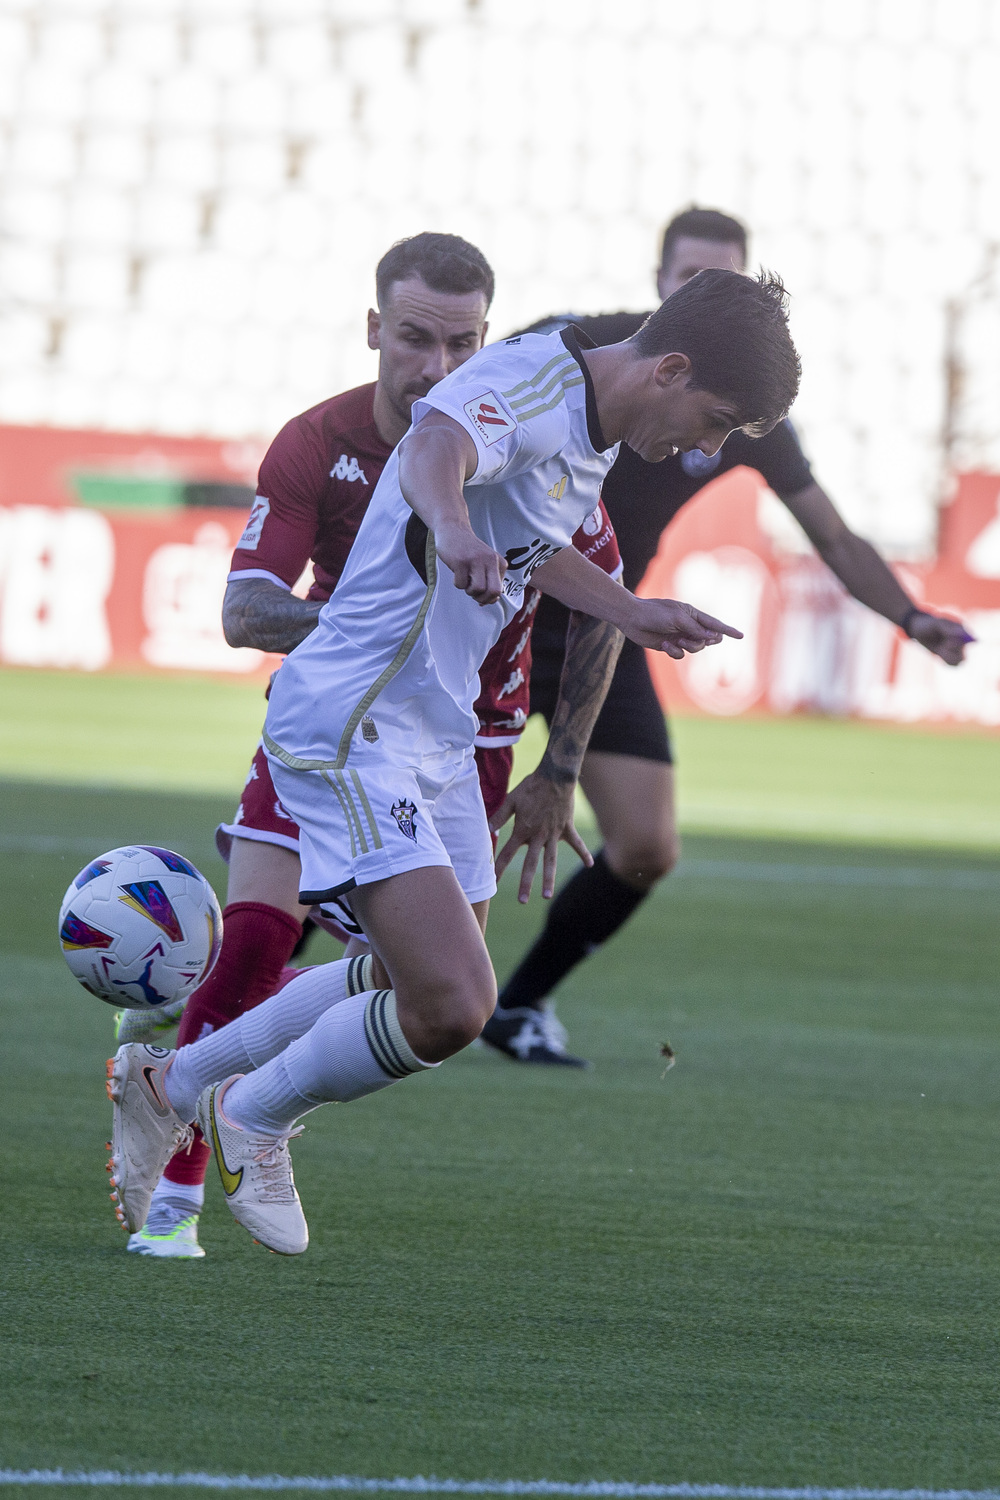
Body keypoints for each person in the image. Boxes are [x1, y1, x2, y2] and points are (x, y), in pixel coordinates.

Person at [105, 265, 797, 1257]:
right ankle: (252, 1115)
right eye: (717, 418)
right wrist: (454, 524)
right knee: (452, 1006)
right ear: (672, 367)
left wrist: (628, 610)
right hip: (354, 719)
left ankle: (171, 1083)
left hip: (434, 732)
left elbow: (534, 544)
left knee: (401, 977)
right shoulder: (522, 381)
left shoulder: (591, 422)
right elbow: (436, 445)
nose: (710, 445)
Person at [481, 206, 973, 1068]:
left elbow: (835, 537)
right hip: (492, 608)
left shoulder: (743, 402)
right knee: (386, 820)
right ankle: (256, 972)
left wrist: (911, 618)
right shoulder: (571, 349)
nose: (708, 438)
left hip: (607, 625)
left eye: (727, 280)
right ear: (661, 284)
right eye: (690, 277)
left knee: (644, 848)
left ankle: (518, 1006)